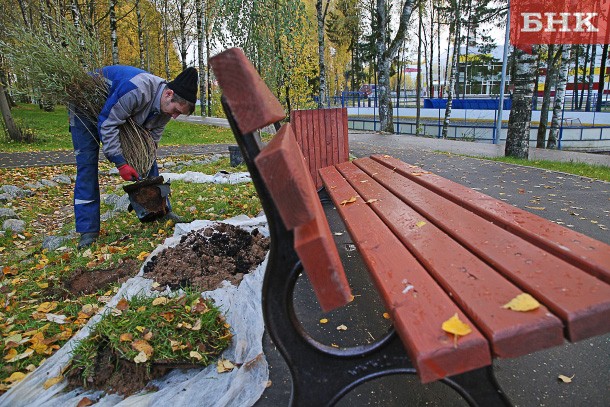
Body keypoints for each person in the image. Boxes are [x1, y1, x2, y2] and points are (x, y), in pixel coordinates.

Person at [70, 66, 198, 249]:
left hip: (113, 111)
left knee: (147, 157)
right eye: (176, 110)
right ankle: (88, 230)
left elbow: (151, 143)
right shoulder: (137, 90)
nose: (175, 116)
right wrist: (121, 163)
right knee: (87, 166)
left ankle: (160, 211)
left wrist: (143, 160)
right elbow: (107, 124)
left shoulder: (165, 110)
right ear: (169, 94)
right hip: (85, 106)